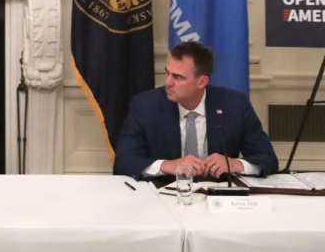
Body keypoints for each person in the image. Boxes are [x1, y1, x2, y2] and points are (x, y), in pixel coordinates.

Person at [113, 41, 278, 180]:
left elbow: (268, 159)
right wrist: (167, 165)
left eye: (178, 77)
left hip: (219, 200)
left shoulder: (235, 105)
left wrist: (237, 164)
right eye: (168, 73)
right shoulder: (145, 105)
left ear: (202, 82)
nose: (168, 83)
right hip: (164, 196)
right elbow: (123, 162)